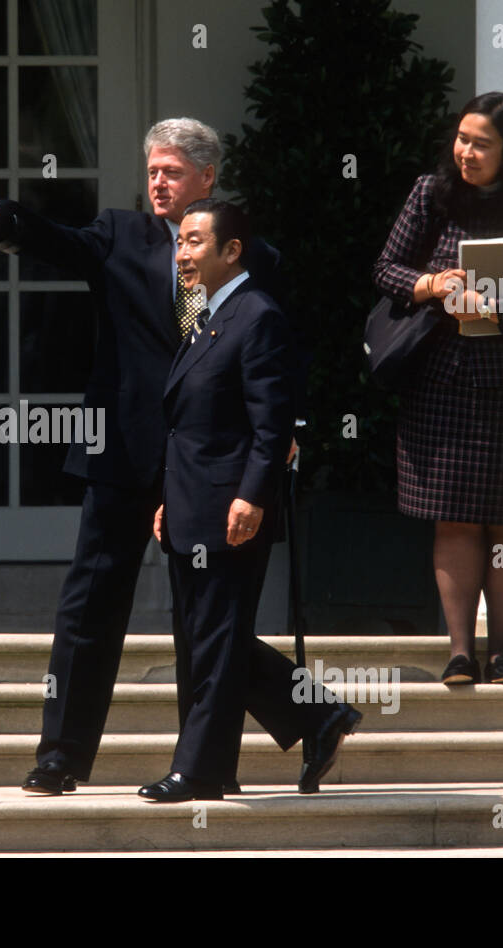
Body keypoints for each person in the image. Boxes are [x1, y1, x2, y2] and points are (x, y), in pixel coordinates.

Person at [0, 119, 334, 795]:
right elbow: (49, 241)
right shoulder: (119, 235)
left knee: (203, 616)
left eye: (174, 172)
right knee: (90, 603)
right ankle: (62, 755)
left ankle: (203, 765)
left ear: (207, 178)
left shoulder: (250, 253)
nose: (158, 182)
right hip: (122, 448)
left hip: (208, 457)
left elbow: (281, 346)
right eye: (153, 170)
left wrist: (284, 432)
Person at [140, 200, 360, 801]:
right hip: (191, 501)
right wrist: (168, 497)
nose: (181, 253)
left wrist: (252, 497)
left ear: (231, 251)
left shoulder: (255, 316)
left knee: (215, 638)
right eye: (179, 243)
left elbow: (272, 424)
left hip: (230, 506)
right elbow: (189, 425)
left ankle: (198, 769)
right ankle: (311, 720)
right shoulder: (206, 315)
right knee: (204, 637)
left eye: (195, 242)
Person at [372, 92, 503, 686]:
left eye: (482, 143)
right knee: (453, 519)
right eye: (462, 139)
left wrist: (502, 298)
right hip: (443, 376)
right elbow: (386, 269)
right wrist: (434, 284)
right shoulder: (430, 192)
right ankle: (461, 651)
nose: (467, 152)